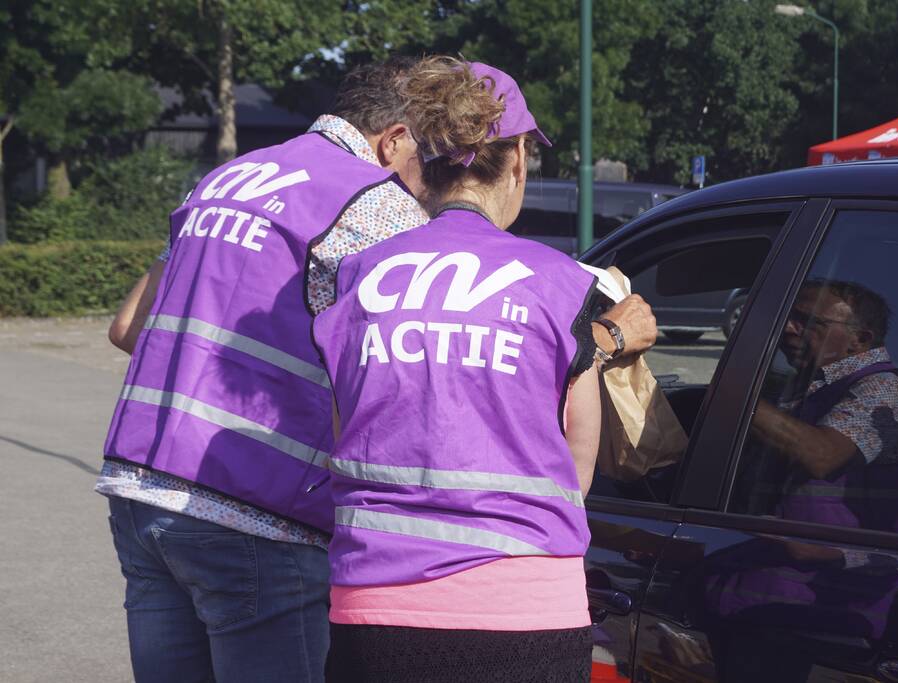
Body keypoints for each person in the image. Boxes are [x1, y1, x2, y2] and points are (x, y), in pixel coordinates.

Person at [100, 56, 656, 682]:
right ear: (395, 141)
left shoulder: (230, 174)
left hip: (140, 486)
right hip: (253, 505)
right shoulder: (369, 205)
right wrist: (603, 338)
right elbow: (444, 368)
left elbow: (128, 329)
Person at [313, 58, 606, 682]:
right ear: (519, 160)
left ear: (422, 161)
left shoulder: (359, 276)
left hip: (374, 608)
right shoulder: (564, 284)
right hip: (525, 611)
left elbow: (345, 429)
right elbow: (577, 467)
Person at [748, 279, 898, 533]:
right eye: (787, 317)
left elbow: (823, 456)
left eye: (808, 321)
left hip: (843, 566)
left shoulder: (884, 388)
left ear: (859, 338)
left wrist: (736, 392)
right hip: (781, 551)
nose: (788, 328)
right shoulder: (808, 383)